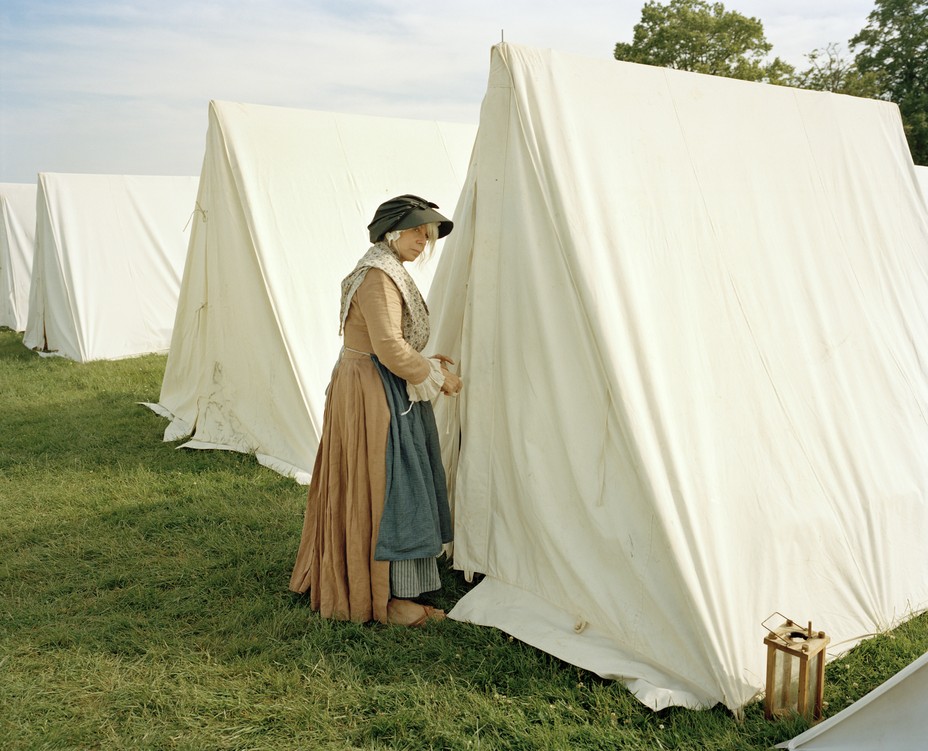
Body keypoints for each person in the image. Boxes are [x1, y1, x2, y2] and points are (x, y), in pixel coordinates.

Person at [289, 194, 463, 627]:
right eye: (417, 233)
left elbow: (389, 341)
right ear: (392, 231)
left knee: (395, 481)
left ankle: (397, 587)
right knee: (391, 487)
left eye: (428, 236)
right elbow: (388, 348)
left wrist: (425, 363)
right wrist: (440, 378)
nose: (424, 242)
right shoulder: (378, 277)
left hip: (375, 381)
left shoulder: (384, 270)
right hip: (372, 389)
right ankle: (390, 598)